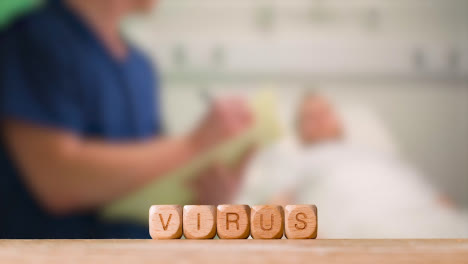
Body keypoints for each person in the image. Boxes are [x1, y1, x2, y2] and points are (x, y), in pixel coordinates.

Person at [0, 0, 252, 238]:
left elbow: (148, 189)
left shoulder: (139, 67)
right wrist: (192, 146)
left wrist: (204, 203)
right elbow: (56, 179)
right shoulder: (34, 40)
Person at [237, 93, 468, 238]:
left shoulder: (381, 157)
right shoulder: (298, 159)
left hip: (436, 223)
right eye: (309, 116)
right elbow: (278, 206)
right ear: (299, 132)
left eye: (325, 112)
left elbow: (440, 200)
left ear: (340, 121)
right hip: (367, 231)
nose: (319, 118)